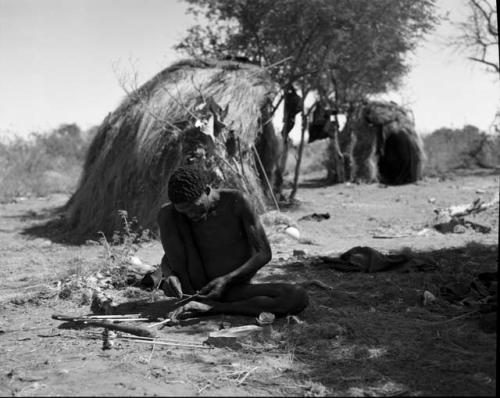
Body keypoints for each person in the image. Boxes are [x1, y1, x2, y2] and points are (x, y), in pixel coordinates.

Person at [158, 166, 309, 322]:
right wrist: (170, 274)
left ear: (207, 190)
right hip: (196, 290)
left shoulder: (237, 202)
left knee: (297, 296)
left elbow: (264, 253)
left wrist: (226, 280)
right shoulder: (174, 216)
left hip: (232, 287)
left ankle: (212, 308)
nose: (191, 215)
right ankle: (191, 300)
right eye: (184, 211)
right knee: (166, 213)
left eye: (195, 207)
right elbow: (169, 257)